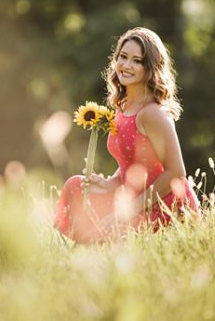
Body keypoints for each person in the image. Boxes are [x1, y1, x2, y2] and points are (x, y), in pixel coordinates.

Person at [54, 27, 200, 243]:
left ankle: (95, 250)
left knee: (110, 233)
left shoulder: (152, 113)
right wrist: (111, 183)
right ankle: (87, 250)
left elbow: (176, 173)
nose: (126, 65)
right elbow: (135, 160)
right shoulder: (124, 105)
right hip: (132, 196)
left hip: (163, 205)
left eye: (137, 61)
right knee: (75, 186)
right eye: (123, 57)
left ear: (150, 68)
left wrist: (129, 210)